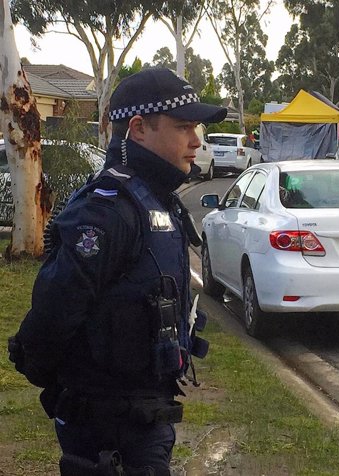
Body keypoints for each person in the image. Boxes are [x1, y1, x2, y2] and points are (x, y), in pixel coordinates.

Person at [7, 67, 227, 474]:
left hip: (147, 421)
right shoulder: (107, 213)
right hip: (106, 434)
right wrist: (77, 393)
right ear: (139, 129)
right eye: (184, 127)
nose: (196, 141)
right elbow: (50, 320)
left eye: (196, 128)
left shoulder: (156, 202)